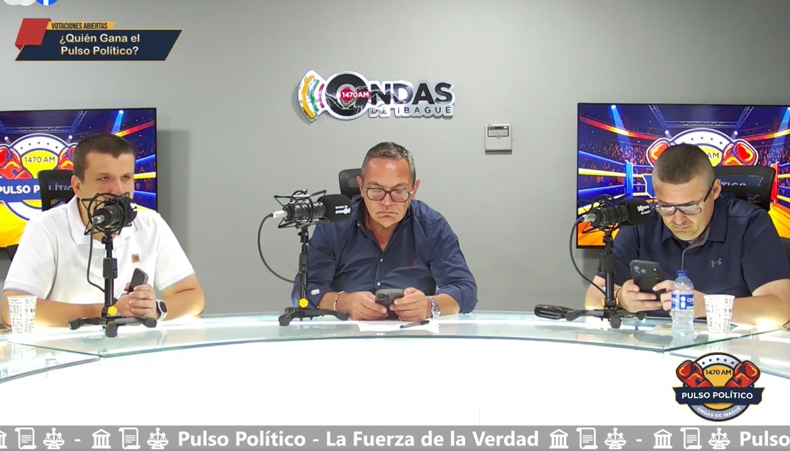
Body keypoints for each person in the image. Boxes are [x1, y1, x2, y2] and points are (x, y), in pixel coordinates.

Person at [2, 133, 205, 327]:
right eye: (104, 178)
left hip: (134, 346)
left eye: (126, 177)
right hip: (63, 348)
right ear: (77, 186)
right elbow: (11, 311)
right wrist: (105, 311)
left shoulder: (151, 224)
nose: (118, 190)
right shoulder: (45, 227)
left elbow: (194, 297)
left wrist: (156, 310)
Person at [584, 143, 790, 327]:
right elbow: (592, 299)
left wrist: (706, 306)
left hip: (729, 346)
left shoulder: (750, 223)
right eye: (666, 206)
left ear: (715, 190)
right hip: (653, 344)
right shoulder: (641, 222)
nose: (678, 219)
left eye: (690, 207)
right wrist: (620, 298)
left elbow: (781, 310)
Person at [291, 142, 477, 321]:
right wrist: (343, 303)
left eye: (399, 191)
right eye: (376, 190)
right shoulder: (335, 225)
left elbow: (466, 290)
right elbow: (303, 291)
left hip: (414, 334)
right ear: (361, 187)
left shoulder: (431, 226)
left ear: (414, 189)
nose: (387, 203)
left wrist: (430, 306)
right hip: (346, 335)